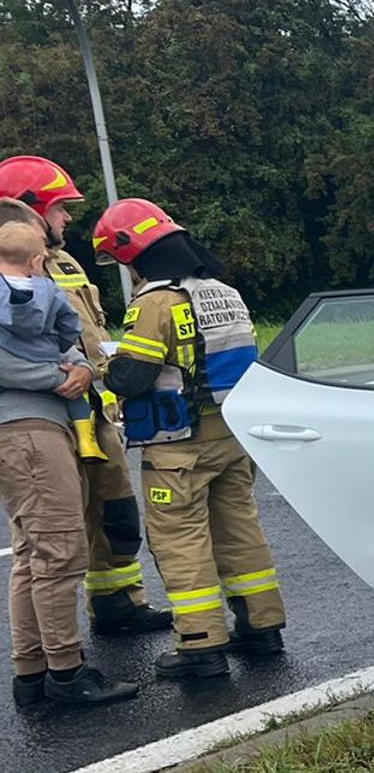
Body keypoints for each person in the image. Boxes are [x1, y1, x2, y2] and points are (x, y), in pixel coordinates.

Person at [95, 198, 286, 678]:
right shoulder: (226, 292)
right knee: (240, 531)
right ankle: (261, 628)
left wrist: (103, 367)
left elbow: (133, 377)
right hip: (231, 436)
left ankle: (201, 646)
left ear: (136, 254)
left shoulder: (155, 303)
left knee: (181, 542)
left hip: (178, 444)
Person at [0, 156, 172, 635]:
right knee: (49, 534)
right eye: (59, 208)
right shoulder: (9, 268)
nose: (68, 218)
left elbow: (89, 332)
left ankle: (118, 603)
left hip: (92, 408)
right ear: (29, 211)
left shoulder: (67, 262)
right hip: (38, 418)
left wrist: (97, 374)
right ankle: (51, 652)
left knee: (115, 510)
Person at [0, 214, 140, 707]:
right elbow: (50, 350)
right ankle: (66, 670)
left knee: (33, 558)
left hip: (36, 426)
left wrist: (78, 366)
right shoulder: (32, 288)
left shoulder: (37, 292)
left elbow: (69, 342)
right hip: (27, 430)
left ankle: (33, 674)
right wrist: (58, 377)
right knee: (60, 552)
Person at [0, 207, 106, 464]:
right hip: (28, 417)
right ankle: (88, 442)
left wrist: (83, 369)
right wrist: (70, 370)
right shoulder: (48, 288)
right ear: (36, 262)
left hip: (38, 396)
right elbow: (70, 325)